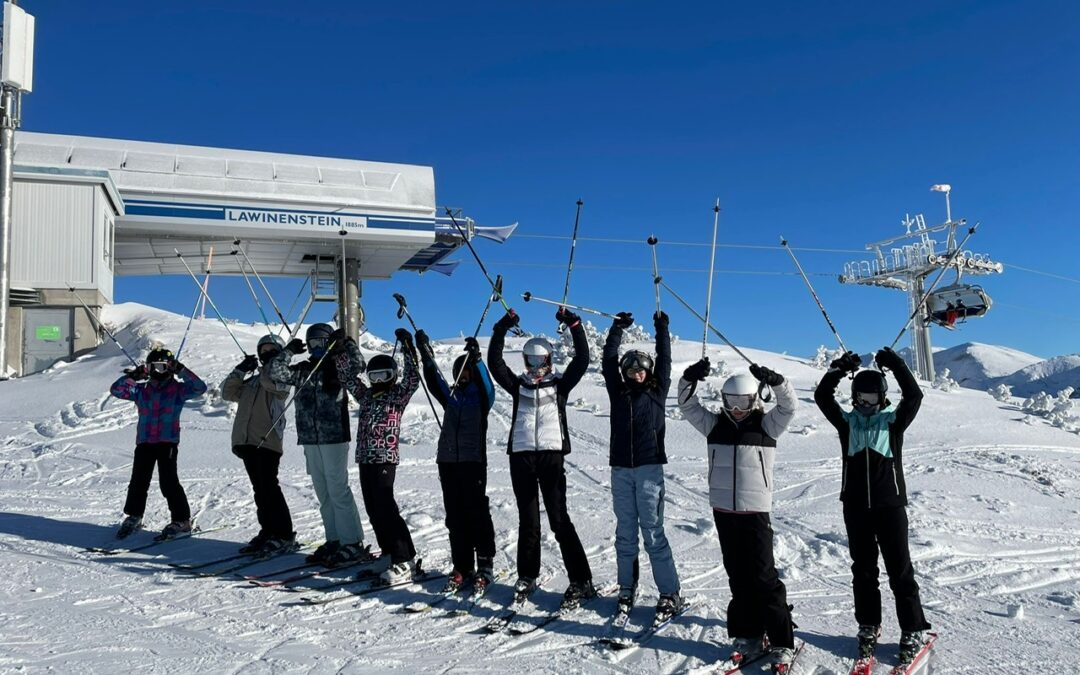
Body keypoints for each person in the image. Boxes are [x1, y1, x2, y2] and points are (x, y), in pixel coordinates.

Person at [678, 357, 798, 674]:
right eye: (732, 401)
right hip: (723, 510)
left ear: (754, 400)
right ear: (724, 401)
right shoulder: (714, 425)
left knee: (763, 576)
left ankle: (782, 640)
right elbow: (687, 406)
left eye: (744, 401)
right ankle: (748, 634)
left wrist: (777, 381)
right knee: (738, 575)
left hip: (755, 510)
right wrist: (689, 378)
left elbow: (788, 407)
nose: (738, 408)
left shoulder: (766, 425)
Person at [814, 347, 932, 667]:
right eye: (861, 398)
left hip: (890, 507)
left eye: (872, 398)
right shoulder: (847, 424)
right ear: (854, 398)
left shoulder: (892, 423)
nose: (867, 404)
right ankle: (868, 624)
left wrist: (896, 365)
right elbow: (822, 397)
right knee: (863, 571)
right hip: (855, 508)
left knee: (900, 570)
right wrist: (838, 369)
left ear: (882, 398)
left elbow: (914, 397)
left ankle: (912, 628)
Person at [488, 307, 596, 609]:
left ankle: (581, 579)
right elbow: (495, 363)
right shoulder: (518, 385)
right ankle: (527, 575)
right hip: (521, 457)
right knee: (528, 521)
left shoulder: (560, 385)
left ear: (549, 360)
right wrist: (502, 327)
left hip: (551, 457)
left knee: (559, 520)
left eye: (541, 360)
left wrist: (574, 324)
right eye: (531, 361)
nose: (535, 366)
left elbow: (582, 360)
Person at [602, 310, 683, 624]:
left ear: (649, 371)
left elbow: (665, 357)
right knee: (625, 533)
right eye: (630, 367)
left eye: (642, 367)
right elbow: (608, 359)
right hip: (621, 469)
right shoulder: (617, 392)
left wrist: (662, 327)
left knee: (652, 533)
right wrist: (616, 329)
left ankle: (669, 592)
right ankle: (626, 588)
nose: (636, 372)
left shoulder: (657, 391)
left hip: (649, 469)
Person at [269, 323, 371, 567]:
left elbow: (359, 365)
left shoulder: (338, 366)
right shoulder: (303, 370)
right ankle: (334, 539)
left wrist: (346, 344)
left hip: (333, 436)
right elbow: (275, 371)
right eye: (311, 343)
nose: (316, 348)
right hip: (310, 438)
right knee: (323, 493)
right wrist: (289, 351)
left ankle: (352, 542)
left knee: (338, 489)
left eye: (320, 342)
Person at [415, 331, 498, 596]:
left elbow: (488, 386)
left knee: (477, 513)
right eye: (458, 372)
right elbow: (433, 380)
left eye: (466, 372)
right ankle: (462, 566)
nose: (461, 376)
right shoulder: (451, 397)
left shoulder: (481, 399)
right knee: (455, 517)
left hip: (473, 462)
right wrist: (425, 354)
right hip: (448, 462)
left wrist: (477, 361)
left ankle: (485, 565)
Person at [336, 328, 420, 584]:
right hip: (365, 458)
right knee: (373, 508)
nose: (378, 380)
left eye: (384, 375)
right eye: (374, 376)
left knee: (386, 507)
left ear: (392, 376)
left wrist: (408, 346)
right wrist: (340, 351)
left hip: (385, 458)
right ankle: (388, 552)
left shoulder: (398, 396)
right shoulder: (367, 396)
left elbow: (413, 378)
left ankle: (405, 558)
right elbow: (348, 379)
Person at [109, 346, 206, 540]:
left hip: (167, 442)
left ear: (170, 368)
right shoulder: (142, 390)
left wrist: (182, 370)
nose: (157, 371)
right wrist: (135, 376)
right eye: (152, 366)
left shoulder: (178, 389)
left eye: (162, 367)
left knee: (168, 481)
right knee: (138, 480)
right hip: (145, 442)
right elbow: (116, 390)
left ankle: (182, 520)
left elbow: (200, 387)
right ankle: (134, 515)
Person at [221, 334, 296, 555]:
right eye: (263, 350)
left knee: (269, 488)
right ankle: (269, 530)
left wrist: (275, 363)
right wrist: (241, 369)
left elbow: (272, 384)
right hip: (247, 441)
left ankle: (283, 534)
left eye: (272, 350)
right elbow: (228, 392)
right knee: (260, 490)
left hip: (267, 440)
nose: (266, 354)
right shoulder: (253, 381)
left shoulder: (280, 379)